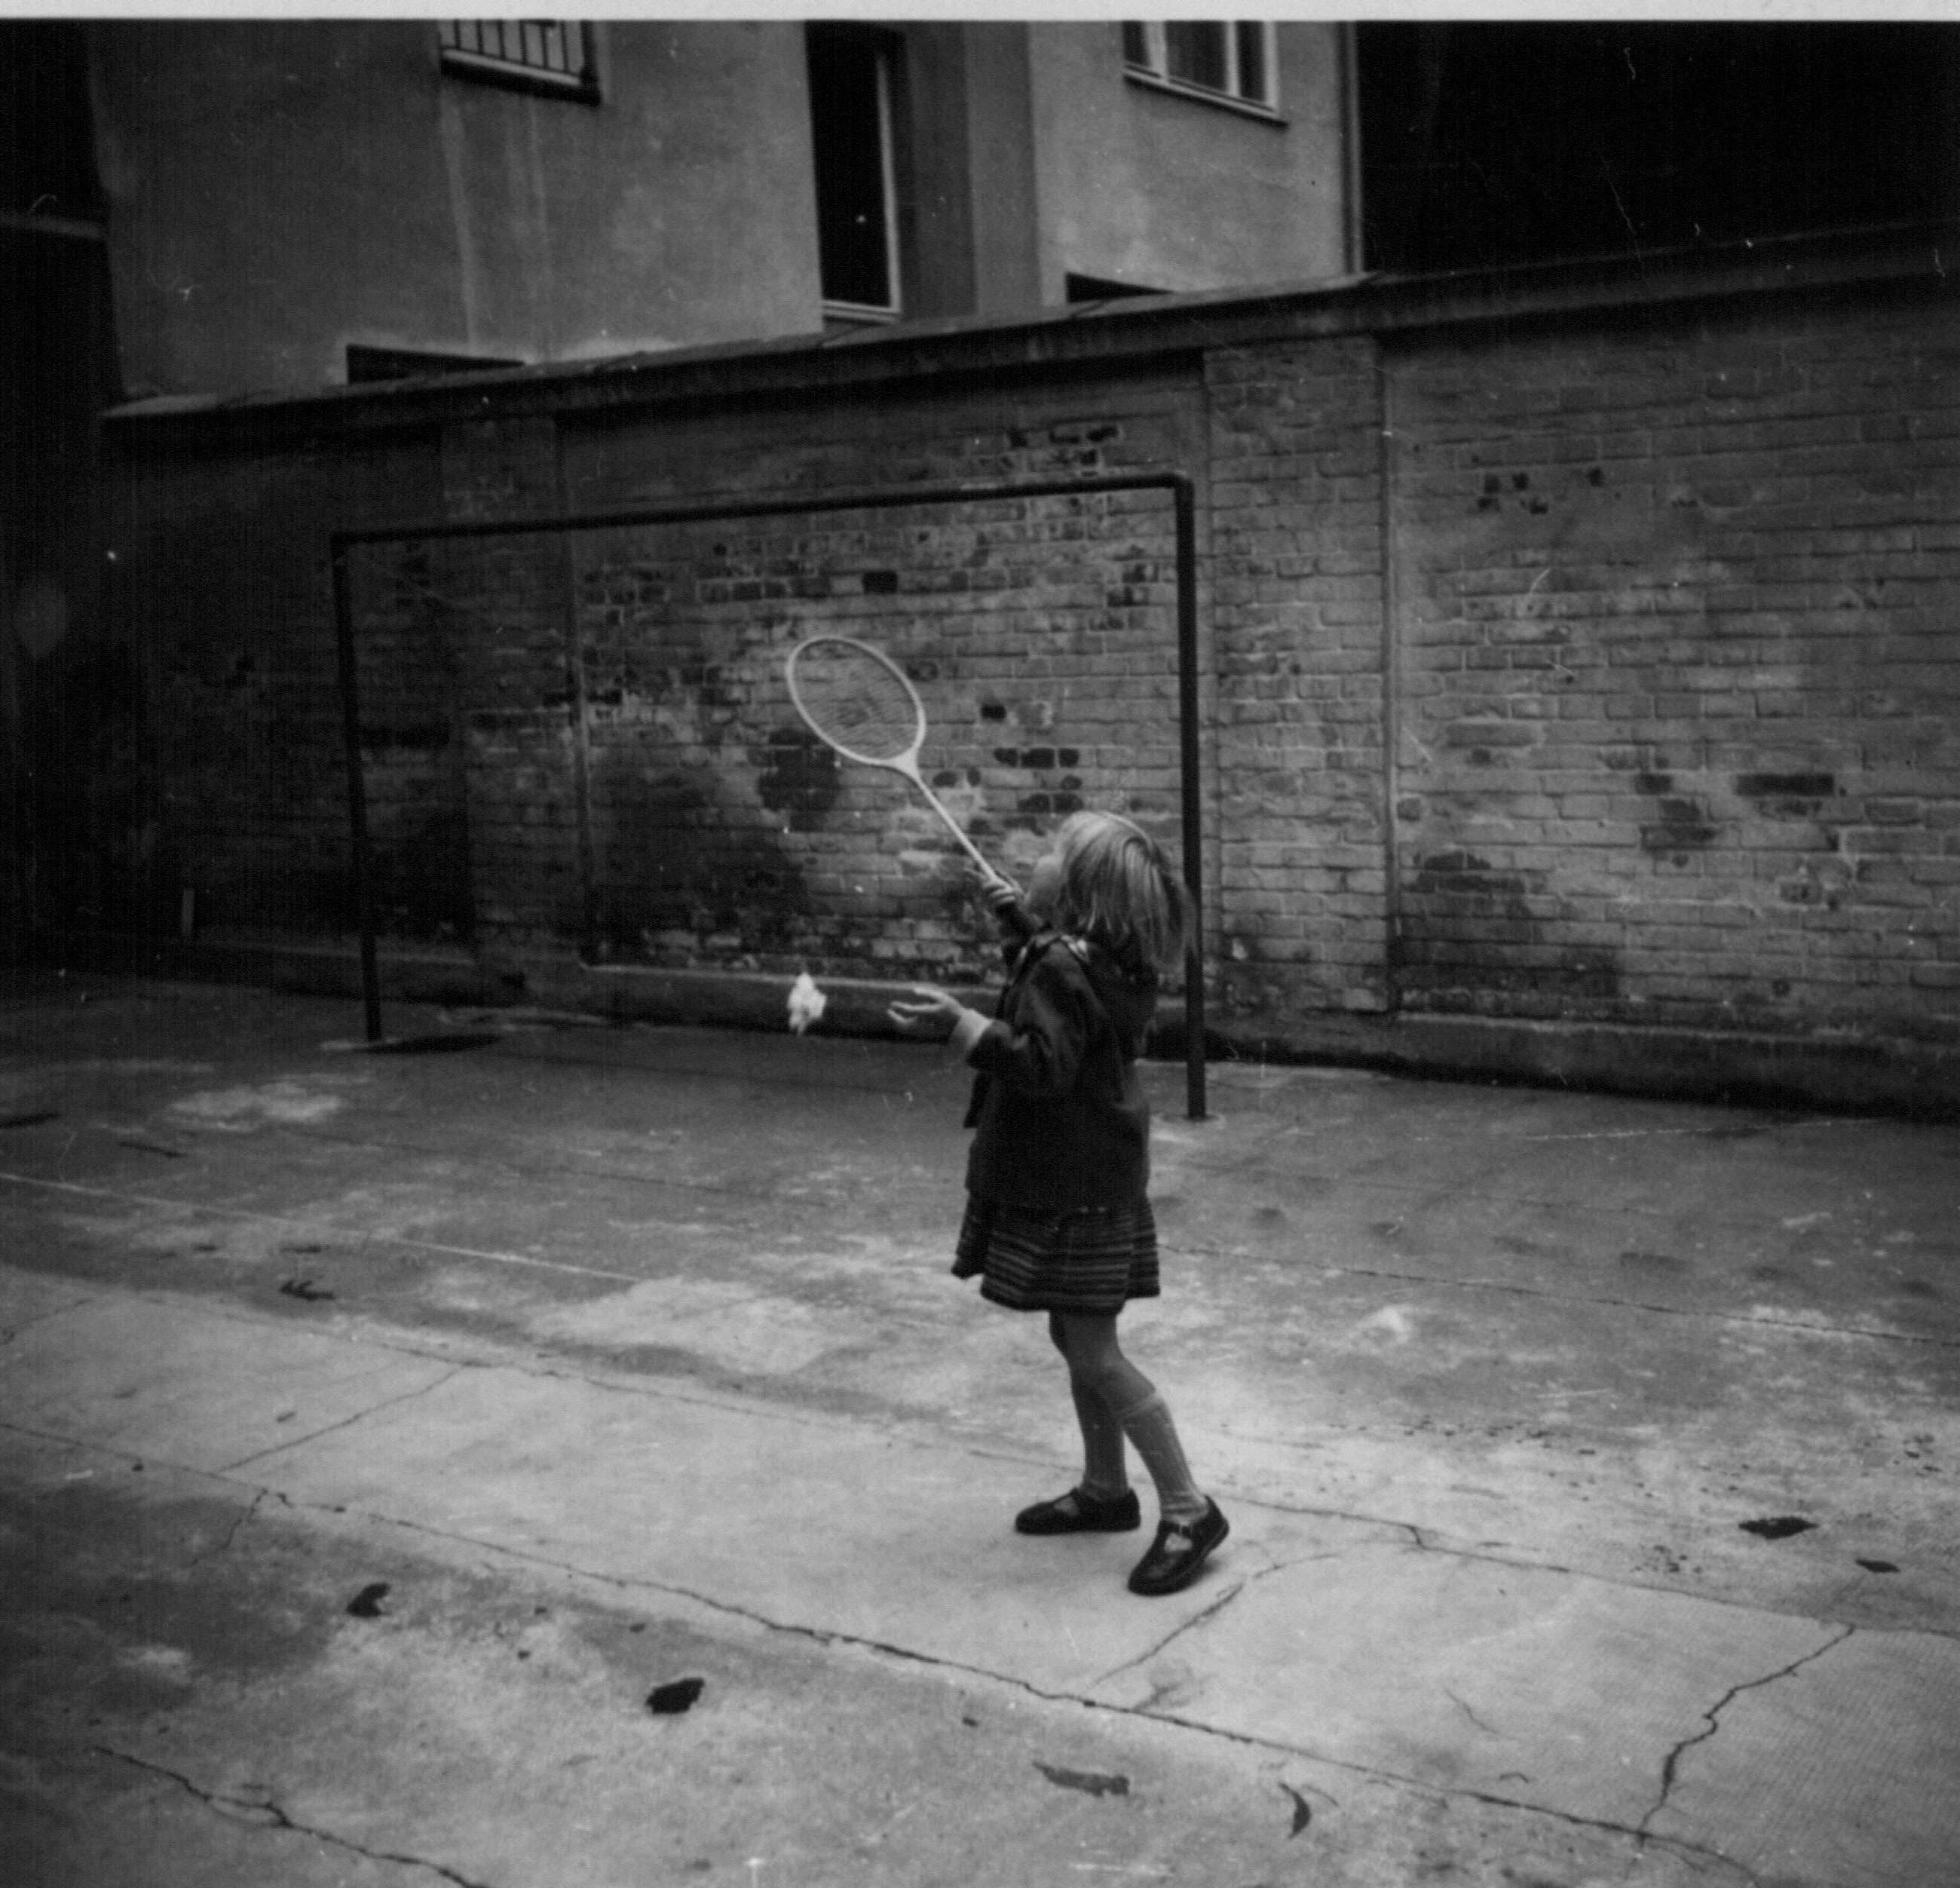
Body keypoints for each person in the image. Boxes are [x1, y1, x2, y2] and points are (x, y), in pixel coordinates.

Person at [889, 810, 1228, 1598]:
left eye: (1050, 854)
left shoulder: (1060, 969)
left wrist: (966, 1028)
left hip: (1067, 1181)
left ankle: (1188, 1506)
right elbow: (1065, 989)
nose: (1035, 858)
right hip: (1095, 1177)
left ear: (1074, 897)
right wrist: (1016, 918)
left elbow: (1042, 1058)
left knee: (1094, 1350)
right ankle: (1106, 1490)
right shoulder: (1114, 960)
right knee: (1075, 1332)